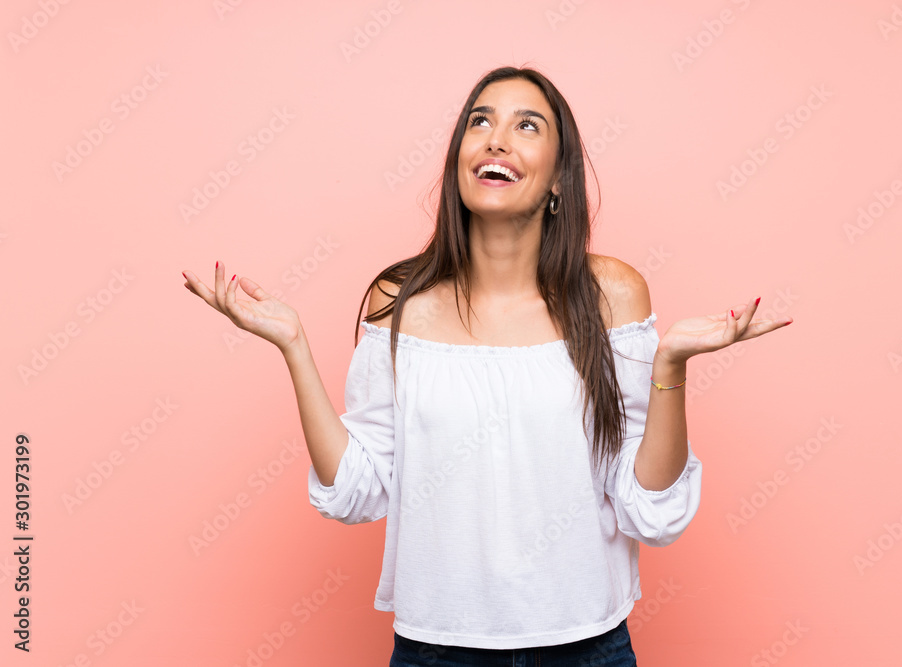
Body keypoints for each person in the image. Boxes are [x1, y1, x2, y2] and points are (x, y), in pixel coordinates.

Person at [181, 65, 792, 666]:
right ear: (459, 163)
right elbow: (358, 492)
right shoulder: (400, 302)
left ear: (559, 181)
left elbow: (647, 508)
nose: (496, 137)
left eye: (527, 125)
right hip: (437, 650)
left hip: (586, 648)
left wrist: (671, 364)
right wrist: (294, 346)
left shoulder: (613, 296)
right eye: (481, 121)